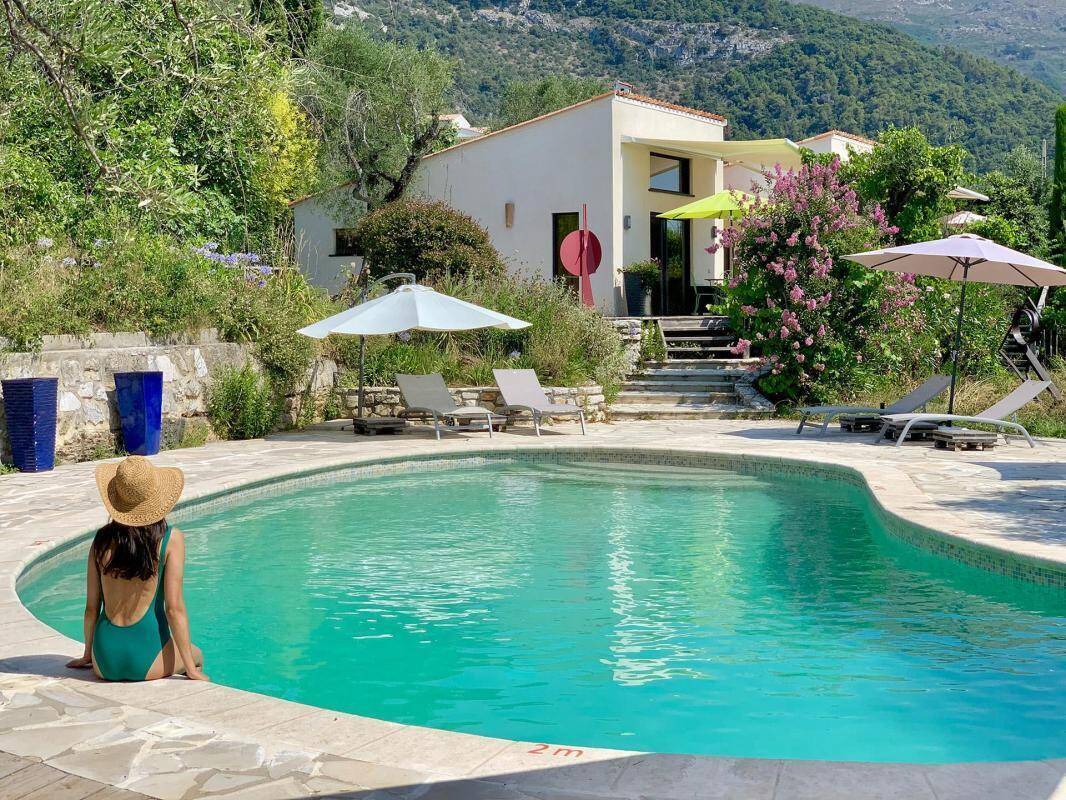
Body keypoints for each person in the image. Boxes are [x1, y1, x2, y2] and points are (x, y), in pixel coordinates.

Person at [66, 455, 208, 682]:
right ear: (155, 497)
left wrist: (87, 655)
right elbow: (174, 609)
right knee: (197, 654)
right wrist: (190, 669)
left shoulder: (100, 541)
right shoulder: (170, 540)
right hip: (146, 659)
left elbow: (91, 608)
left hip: (104, 662)